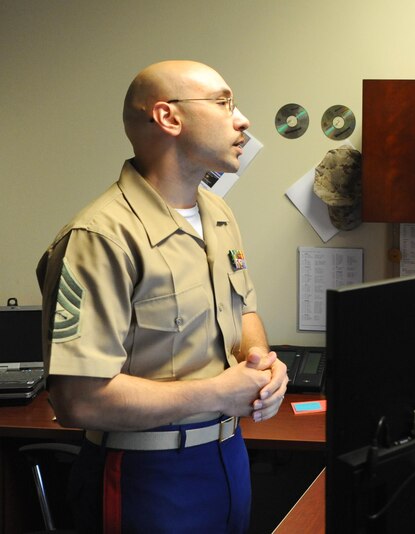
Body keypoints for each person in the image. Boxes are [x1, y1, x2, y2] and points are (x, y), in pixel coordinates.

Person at [36, 60, 288, 533]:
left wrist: (261, 363)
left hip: (228, 457)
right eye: (222, 102)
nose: (242, 119)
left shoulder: (217, 212)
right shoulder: (100, 236)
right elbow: (77, 401)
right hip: (145, 475)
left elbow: (243, 306)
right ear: (169, 118)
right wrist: (216, 392)